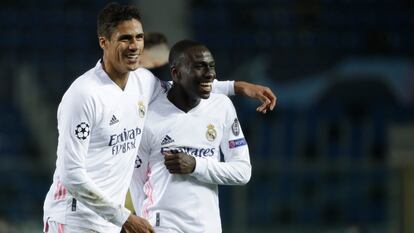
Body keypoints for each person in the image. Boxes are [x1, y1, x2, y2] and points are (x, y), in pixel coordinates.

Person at [42, 3, 276, 233]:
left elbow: (184, 85)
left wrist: (238, 87)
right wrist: (124, 217)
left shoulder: (142, 81)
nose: (135, 46)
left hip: (108, 221)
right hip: (73, 218)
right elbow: (70, 175)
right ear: (104, 41)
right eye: (125, 38)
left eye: (139, 37)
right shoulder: (84, 94)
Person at [129, 40, 251, 233]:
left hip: (207, 227)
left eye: (211, 66)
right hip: (161, 225)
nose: (210, 74)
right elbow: (135, 179)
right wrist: (144, 221)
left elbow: (243, 172)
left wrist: (196, 165)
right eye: (199, 67)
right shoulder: (148, 115)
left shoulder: (222, 107)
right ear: (176, 73)